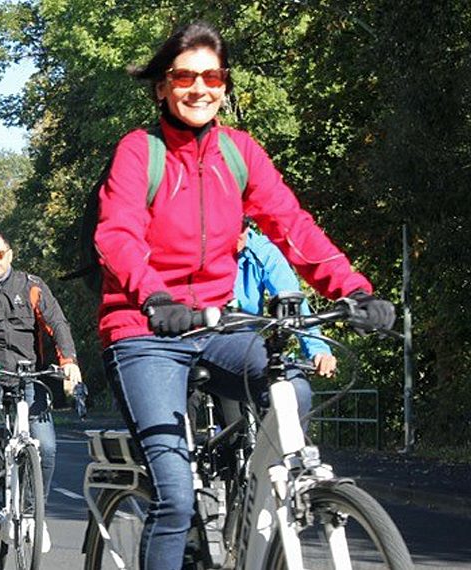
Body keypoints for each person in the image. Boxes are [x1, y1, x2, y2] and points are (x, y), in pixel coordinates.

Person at [93, 22, 395, 569]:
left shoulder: (240, 153)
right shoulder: (141, 151)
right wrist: (154, 296)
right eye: (184, 75)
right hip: (145, 329)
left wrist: (353, 288)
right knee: (175, 496)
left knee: (292, 389)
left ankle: (259, 493)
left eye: (212, 75)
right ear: (163, 86)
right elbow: (117, 233)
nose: (199, 87)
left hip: (219, 324)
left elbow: (292, 225)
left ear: (225, 85)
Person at [0, 231, 82, 553]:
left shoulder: (32, 285)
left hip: (30, 375)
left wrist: (68, 361)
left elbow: (57, 323)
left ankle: (30, 514)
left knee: (47, 446)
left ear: (9, 255)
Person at [235, 222, 337, 378]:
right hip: (199, 338)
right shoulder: (198, 249)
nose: (238, 233)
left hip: (245, 347)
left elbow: (294, 303)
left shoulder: (263, 251)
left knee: (296, 388)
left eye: (243, 225)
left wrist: (318, 350)